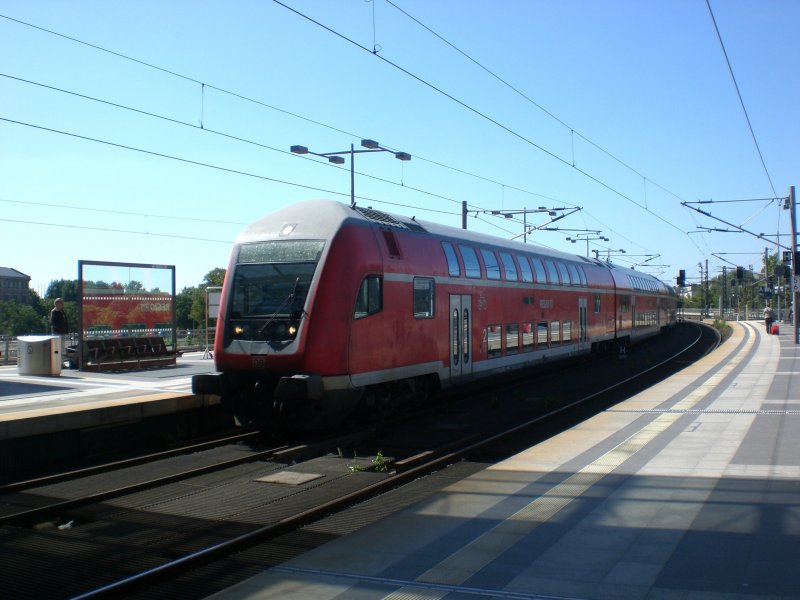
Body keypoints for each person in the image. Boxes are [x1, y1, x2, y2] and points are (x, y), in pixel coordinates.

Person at [50, 298, 69, 362]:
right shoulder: (54, 312)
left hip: (62, 332)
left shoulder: (62, 311)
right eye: (61, 303)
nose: (62, 305)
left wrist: (66, 330)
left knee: (62, 348)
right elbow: (53, 322)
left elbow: (65, 321)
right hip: (56, 333)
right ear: (57, 304)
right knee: (57, 348)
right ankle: (58, 363)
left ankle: (62, 362)